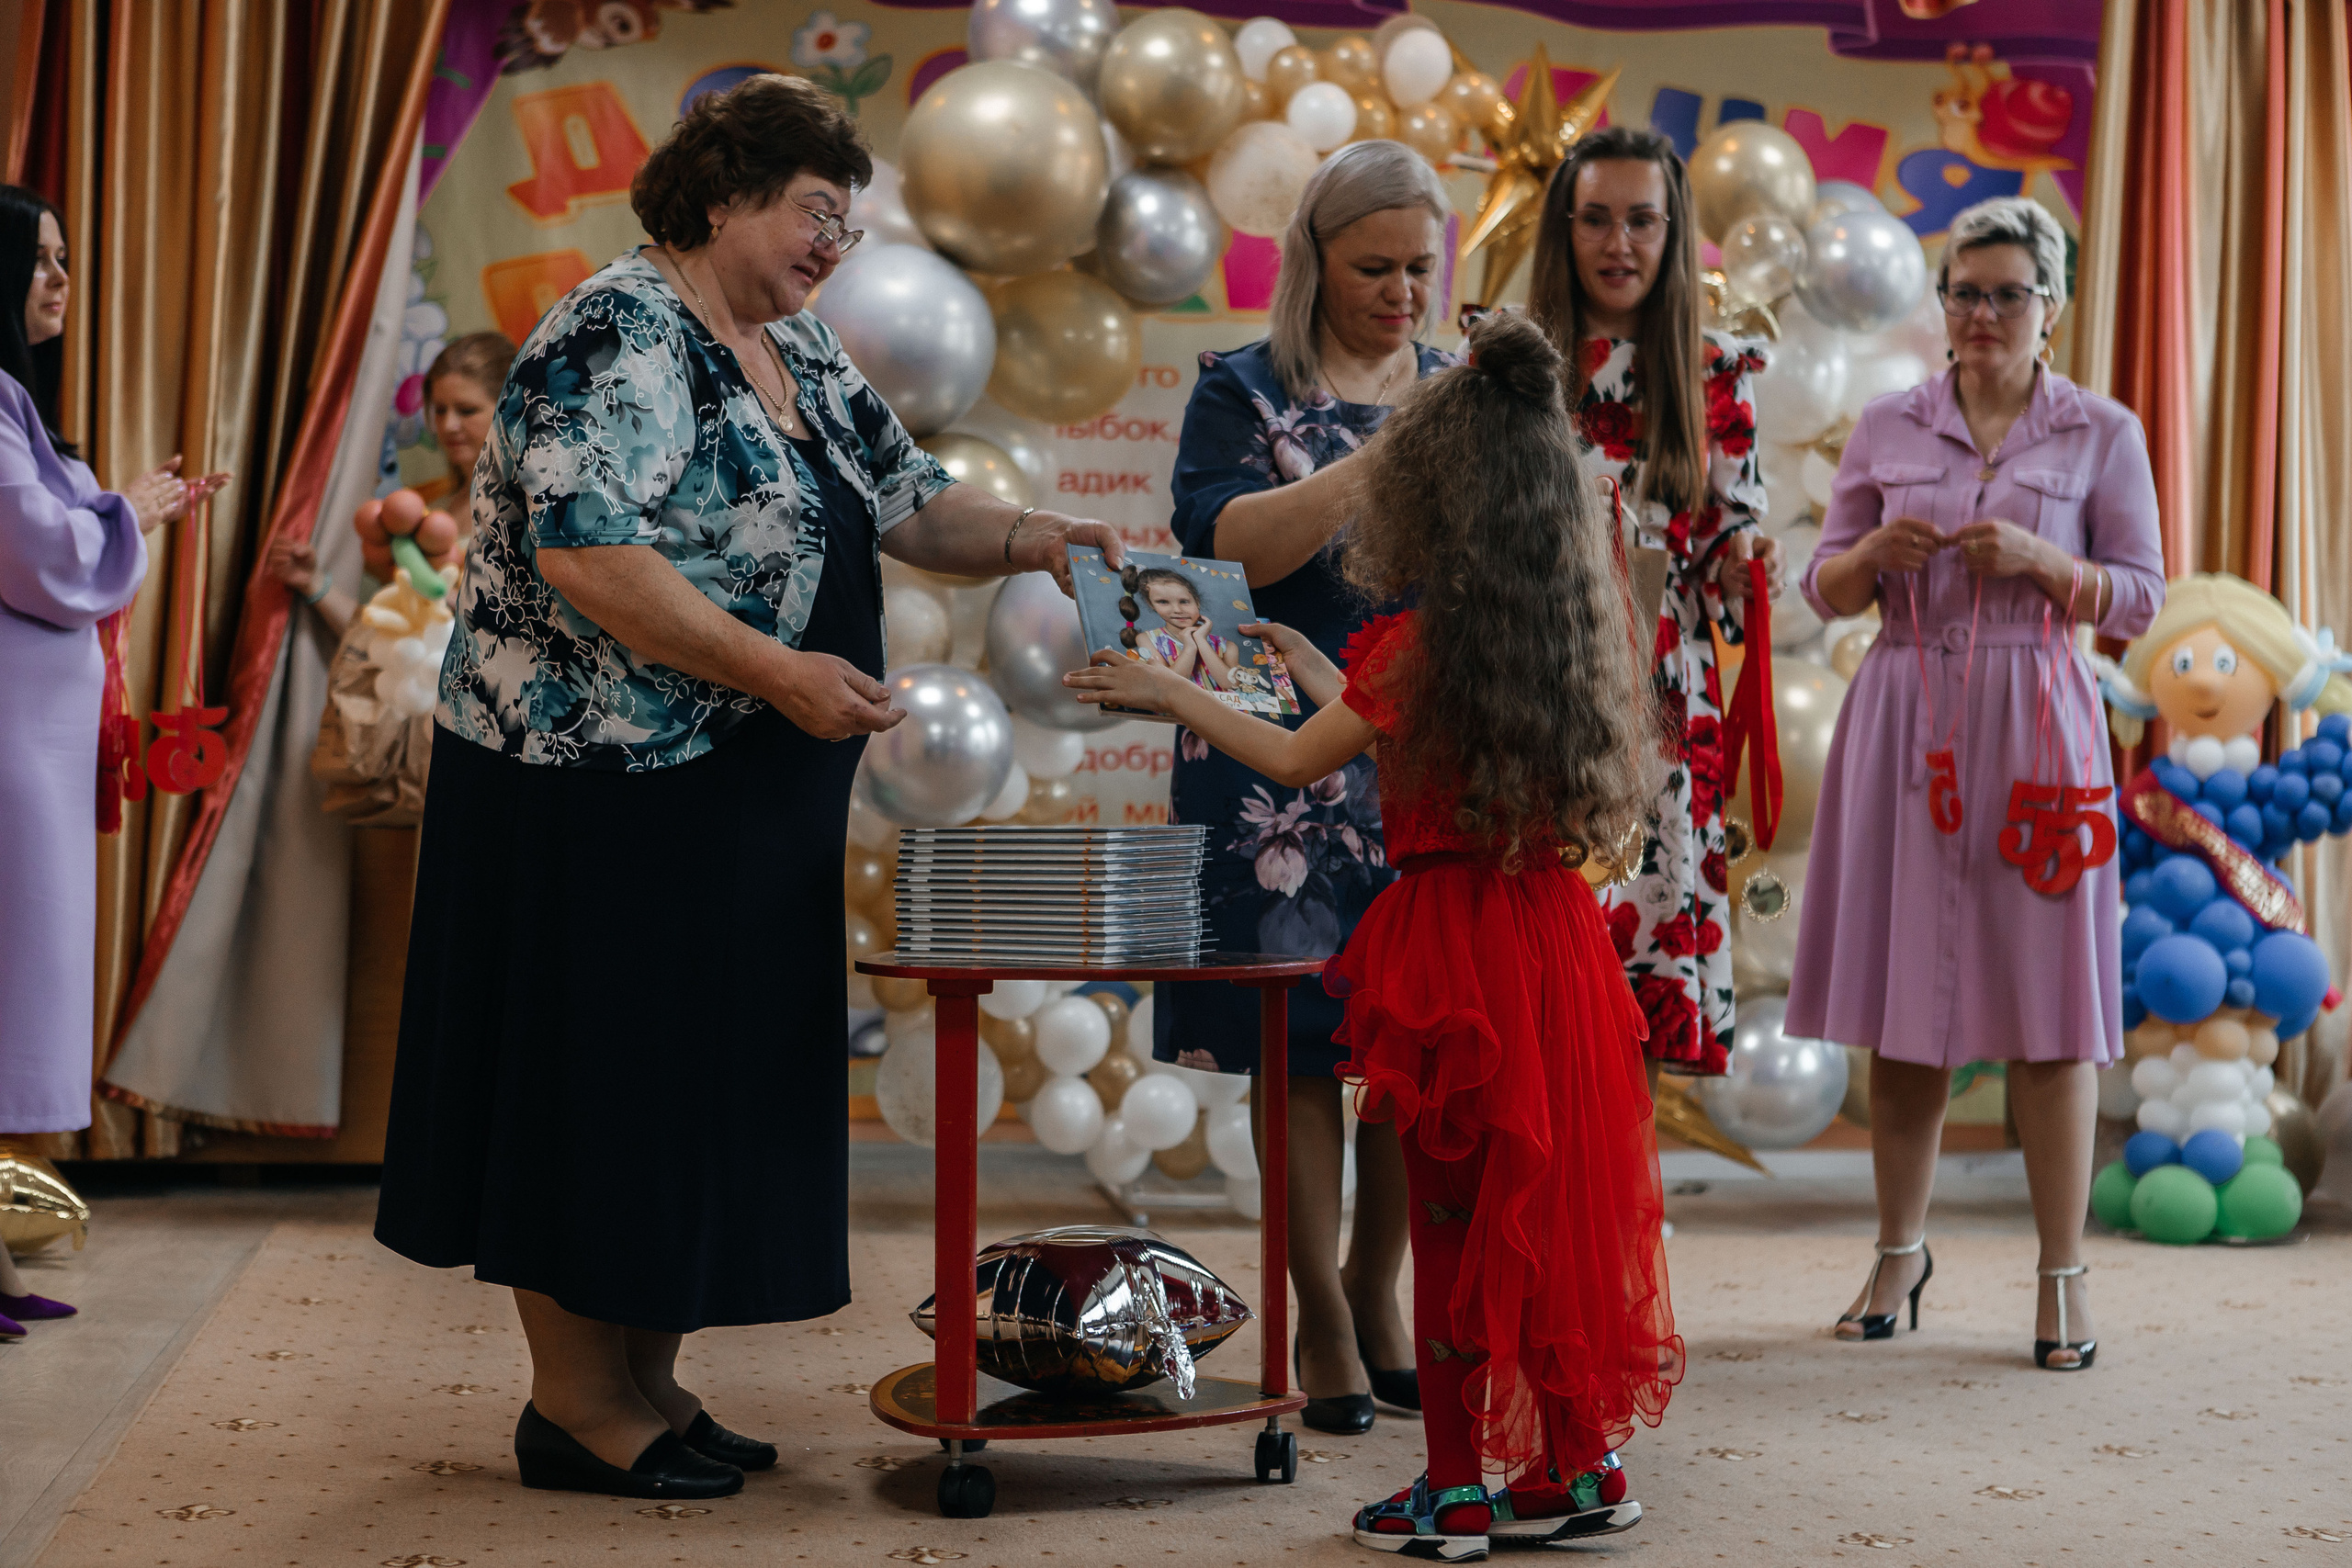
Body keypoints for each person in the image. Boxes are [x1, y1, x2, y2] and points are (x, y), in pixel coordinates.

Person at [370, 74, 1121, 1499]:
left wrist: (1036, 534)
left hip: (737, 794)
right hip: (592, 781)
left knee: (692, 1089)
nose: (836, 243)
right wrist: (780, 670)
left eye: (849, 221)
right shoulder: (617, 328)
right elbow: (593, 558)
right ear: (722, 196)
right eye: (815, 211)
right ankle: (577, 1403)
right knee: (597, 1085)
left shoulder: (795, 346)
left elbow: (909, 499)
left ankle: (650, 1378)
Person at [1069, 310, 1679, 1557]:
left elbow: (1301, 760)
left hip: (1452, 945)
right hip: (1550, 944)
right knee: (1545, 1214)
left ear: (1431, 500)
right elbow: (1377, 723)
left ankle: (1453, 1483)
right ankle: (1579, 1462)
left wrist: (1170, 687)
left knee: (1456, 1229)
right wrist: (1300, 657)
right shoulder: (1553, 636)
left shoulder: (1417, 644)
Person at [1787, 196, 2165, 1369]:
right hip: (1903, 713)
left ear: (2049, 309)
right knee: (1906, 1011)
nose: (1983, 314)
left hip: (2040, 724)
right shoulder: (1887, 424)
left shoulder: (2101, 430)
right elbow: (1820, 584)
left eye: (2008, 293)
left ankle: (2062, 1276)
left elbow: (2145, 597)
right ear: (1941, 305)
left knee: (2053, 1013)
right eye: (1964, 292)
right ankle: (1899, 1253)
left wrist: (2054, 565)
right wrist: (1864, 558)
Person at [1158, 139, 1455, 1435]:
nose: (1402, 292)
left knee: (1408, 1050)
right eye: (1375, 266)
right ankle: (1319, 1316)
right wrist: (1370, 463)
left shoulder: (1460, 387)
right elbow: (1227, 542)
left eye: (1421, 268)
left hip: (1417, 753)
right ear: (1316, 260)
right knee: (1297, 1048)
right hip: (1269, 759)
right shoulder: (1239, 385)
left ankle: (1375, 1294)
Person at [0, 184, 224, 1337]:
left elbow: (70, 527)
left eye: (67, 258)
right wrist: (125, 511)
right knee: (7, 984)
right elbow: (44, 554)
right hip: (8, 756)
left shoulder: (15, 409)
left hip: (33, 752)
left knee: (24, 991)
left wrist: (140, 509)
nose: (59, 279)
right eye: (36, 259)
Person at [1526, 125, 1782, 1077]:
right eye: (1594, 219)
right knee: (1537, 954)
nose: (1617, 244)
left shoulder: (1715, 371)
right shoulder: (1508, 362)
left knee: (1640, 942)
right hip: (1533, 677)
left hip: (1660, 695)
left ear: (1674, 232)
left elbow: (1726, 552)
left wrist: (1745, 558)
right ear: (1565, 229)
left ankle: (1616, 1218)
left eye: (1640, 220)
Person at [265, 331, 516, 637]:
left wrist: (440, 599)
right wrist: (313, 582)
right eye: (439, 410)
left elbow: (526, 635)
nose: (448, 425)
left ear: (509, 409)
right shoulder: (433, 507)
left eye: (466, 410)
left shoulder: (527, 508)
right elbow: (389, 638)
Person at [1132, 568, 1238, 690]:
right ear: (1151, 604)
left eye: (1184, 602)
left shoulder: (1226, 646)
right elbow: (1169, 686)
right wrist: (1190, 647)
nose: (1177, 610)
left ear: (1196, 601)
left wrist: (1201, 640)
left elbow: (1231, 685)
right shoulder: (1147, 639)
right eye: (1163, 602)